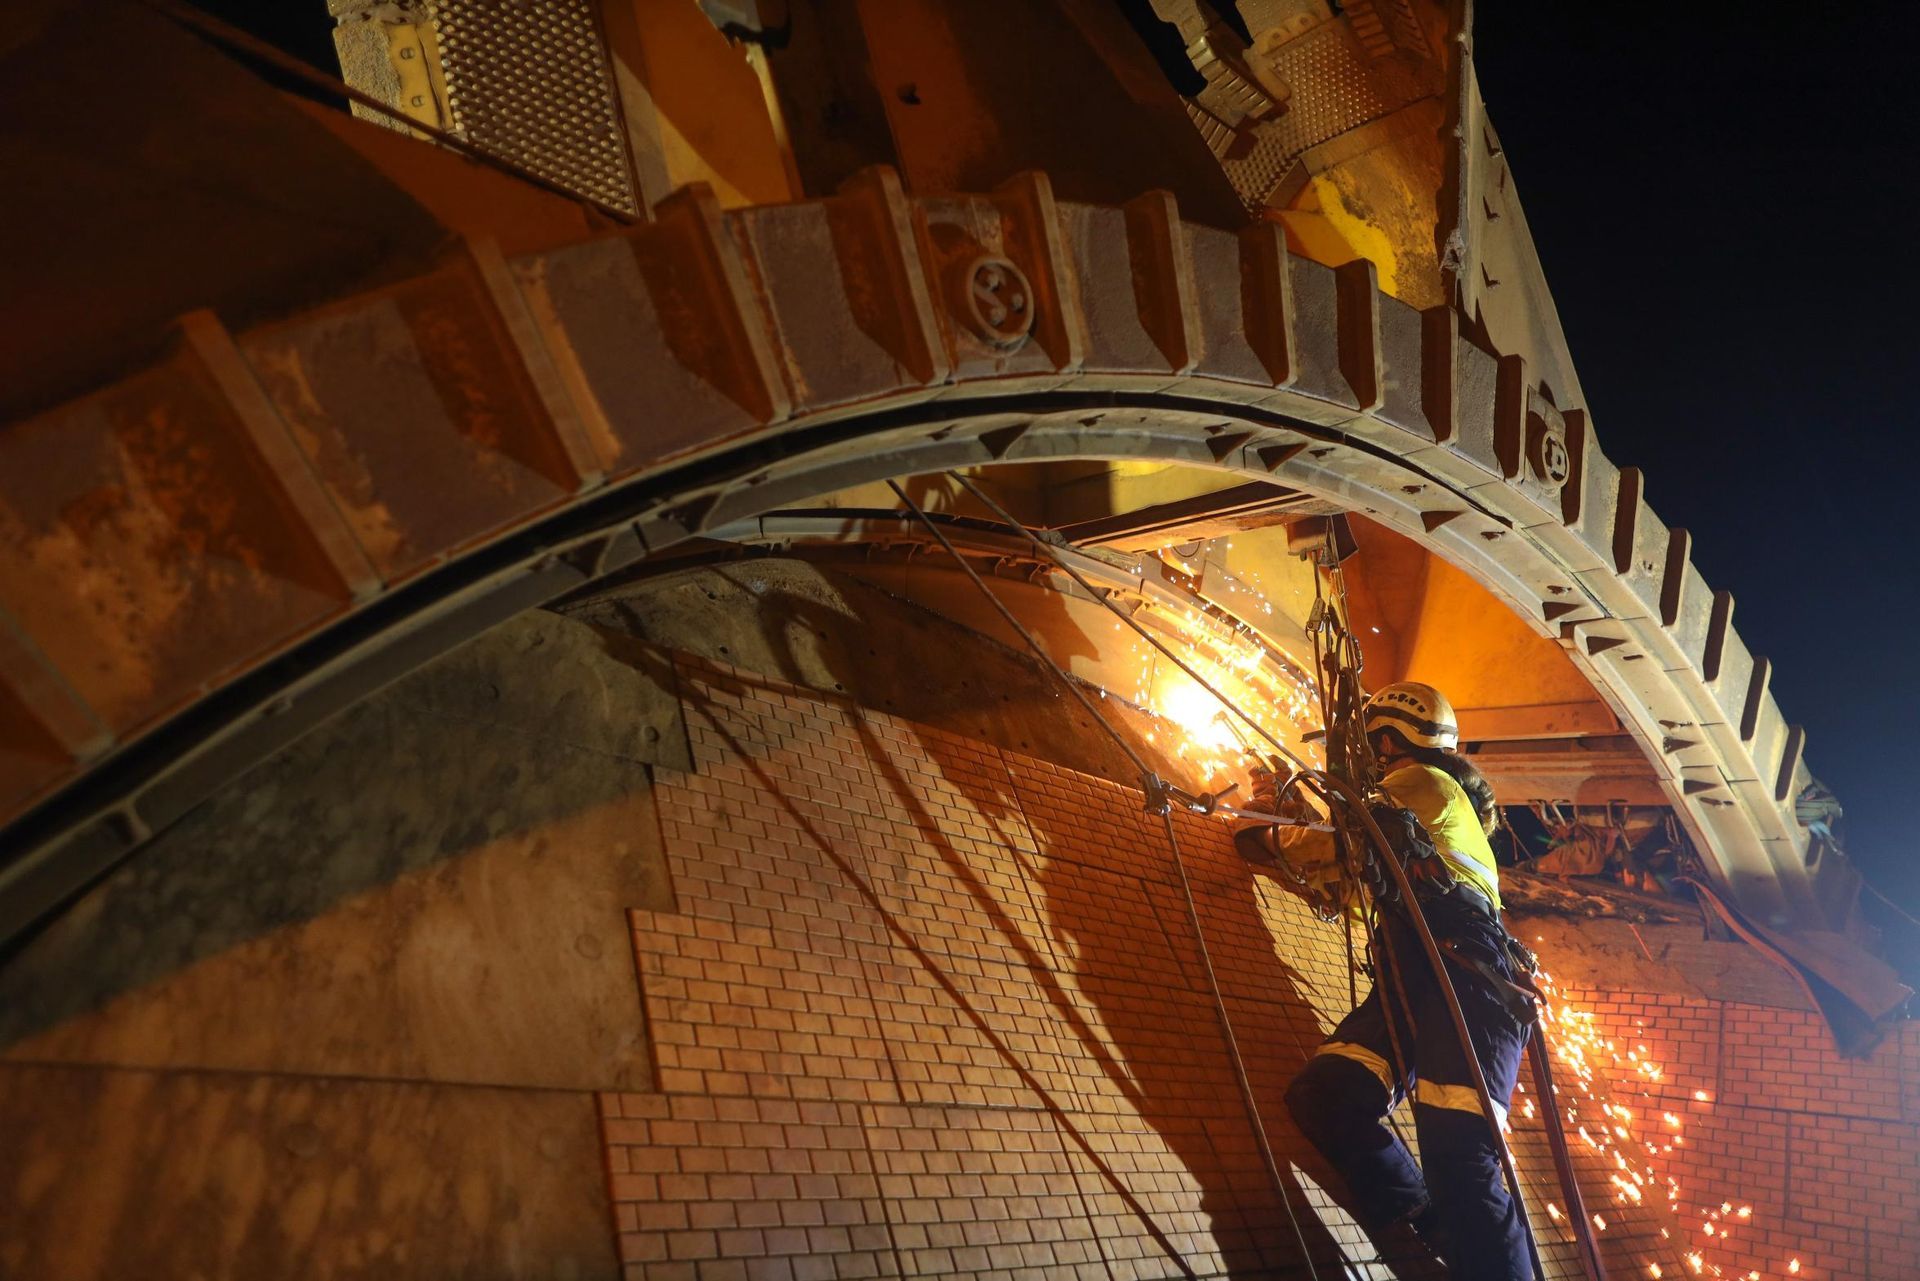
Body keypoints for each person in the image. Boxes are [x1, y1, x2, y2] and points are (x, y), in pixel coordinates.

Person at [1235, 680, 1533, 1280]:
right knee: (1327, 1095)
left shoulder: (1422, 784)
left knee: (1463, 1162)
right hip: (1413, 975)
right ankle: (1432, 1218)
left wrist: (1271, 828)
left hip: (1465, 982)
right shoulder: (1419, 816)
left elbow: (1340, 843)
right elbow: (1353, 877)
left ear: (1389, 740)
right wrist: (1290, 826)